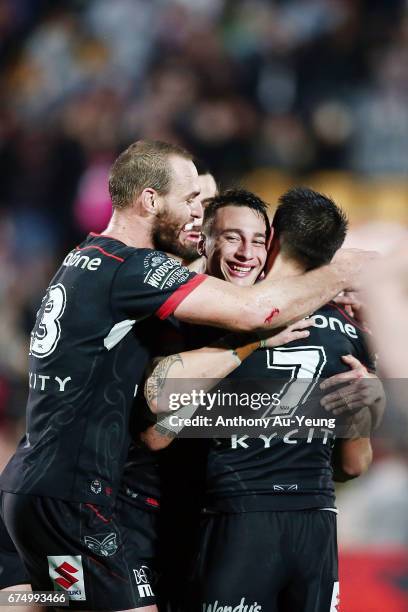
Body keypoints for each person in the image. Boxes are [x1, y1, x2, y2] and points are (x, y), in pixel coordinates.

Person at [0, 136, 374, 612]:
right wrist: (338, 273)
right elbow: (254, 312)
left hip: (48, 487)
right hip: (82, 496)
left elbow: (351, 461)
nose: (197, 214)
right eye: (191, 201)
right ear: (151, 201)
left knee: (44, 602)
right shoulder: (136, 272)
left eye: (258, 239)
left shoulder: (95, 258)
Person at [141, 187, 385, 612]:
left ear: (272, 238)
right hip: (317, 527)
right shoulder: (350, 336)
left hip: (238, 521)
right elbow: (353, 465)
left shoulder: (220, 316)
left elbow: (155, 434)